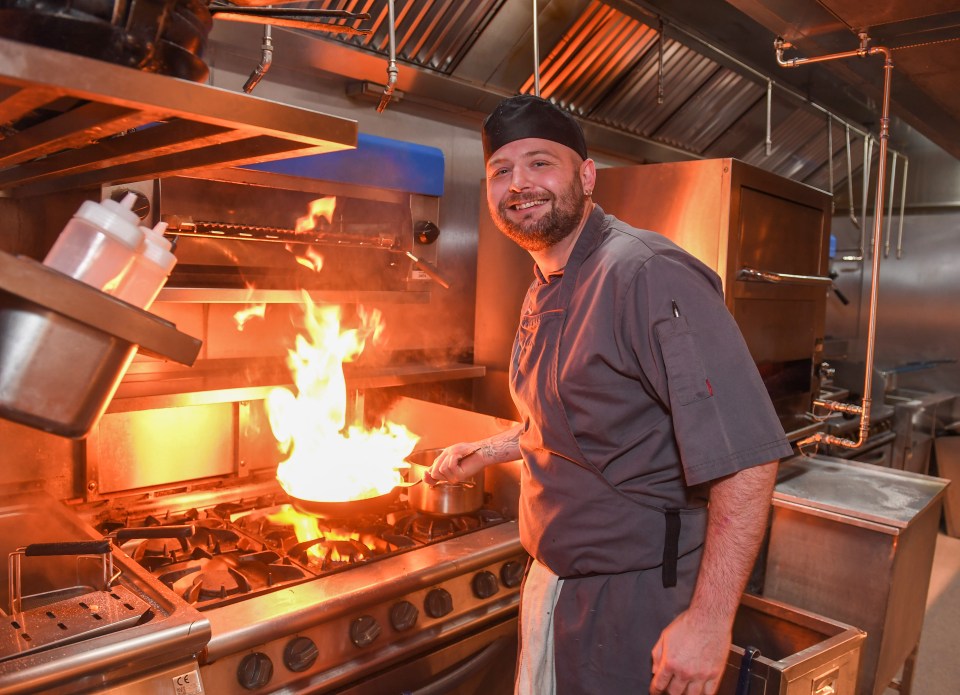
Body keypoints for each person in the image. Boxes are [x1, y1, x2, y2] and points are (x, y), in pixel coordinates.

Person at [427, 94, 793, 695]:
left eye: (540, 163)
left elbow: (747, 457)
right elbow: (583, 414)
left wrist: (708, 623)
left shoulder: (648, 274)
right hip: (556, 584)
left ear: (587, 175)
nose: (519, 184)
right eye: (501, 171)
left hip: (637, 600)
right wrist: (490, 449)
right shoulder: (547, 276)